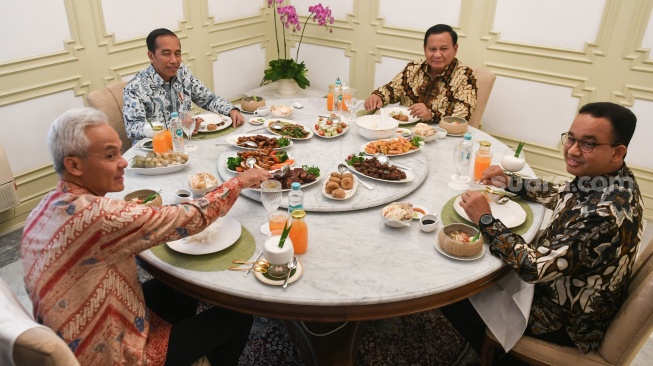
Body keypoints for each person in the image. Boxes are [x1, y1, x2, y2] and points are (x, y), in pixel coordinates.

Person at [21, 107, 270, 365]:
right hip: (114, 355)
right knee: (238, 316)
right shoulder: (96, 216)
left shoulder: (46, 207)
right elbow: (189, 218)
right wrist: (240, 181)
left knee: (182, 283)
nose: (124, 161)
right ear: (73, 165)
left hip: (85, 328)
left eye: (119, 151)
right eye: (110, 155)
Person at [442, 102, 643, 355]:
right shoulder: (613, 177)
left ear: (617, 151)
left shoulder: (603, 217)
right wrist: (510, 181)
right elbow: (563, 193)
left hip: (565, 319)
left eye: (588, 143)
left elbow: (533, 269)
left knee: (455, 292)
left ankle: (495, 356)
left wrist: (485, 219)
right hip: (567, 287)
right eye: (571, 138)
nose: (572, 150)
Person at [123, 28, 245, 141]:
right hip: (154, 153)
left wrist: (231, 110)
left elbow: (208, 99)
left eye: (177, 53)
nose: (174, 60)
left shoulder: (183, 74)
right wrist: (176, 125)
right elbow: (133, 128)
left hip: (186, 143)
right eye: (166, 53)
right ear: (151, 56)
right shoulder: (135, 87)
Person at [363, 24, 477, 123]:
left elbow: (463, 112)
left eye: (443, 49)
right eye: (432, 49)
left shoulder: (465, 76)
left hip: (440, 135)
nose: (437, 55)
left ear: (455, 49)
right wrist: (378, 96)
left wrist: (431, 114)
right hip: (404, 131)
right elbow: (392, 89)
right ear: (425, 49)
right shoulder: (414, 68)